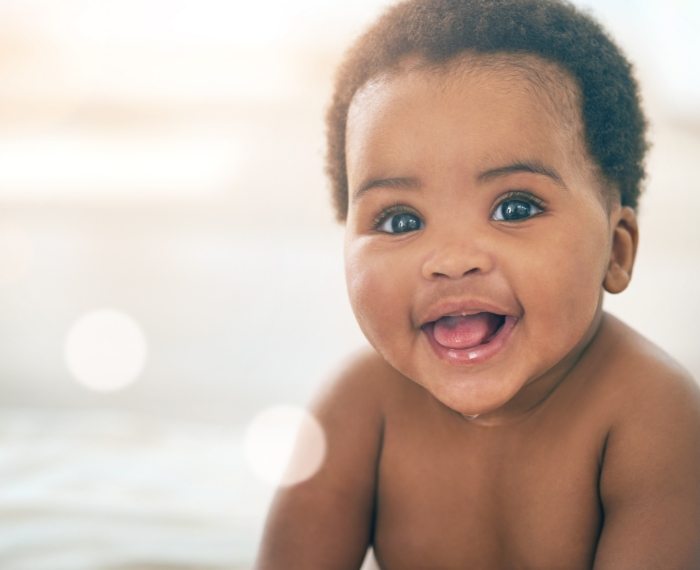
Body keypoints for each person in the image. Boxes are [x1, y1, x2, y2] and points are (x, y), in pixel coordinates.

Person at [256, 0, 700, 567]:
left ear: (615, 250)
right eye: (401, 220)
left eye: (514, 207)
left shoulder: (650, 414)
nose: (451, 259)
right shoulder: (360, 406)